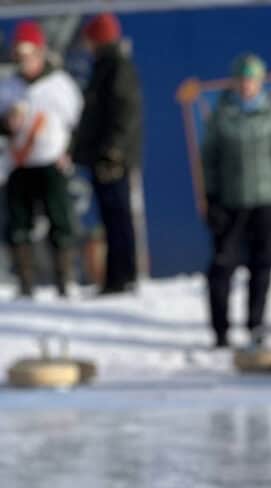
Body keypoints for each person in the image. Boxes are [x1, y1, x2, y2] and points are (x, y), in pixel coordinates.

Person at [200, 53, 271, 348]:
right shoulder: (221, 116)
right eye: (242, 80)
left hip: (267, 200)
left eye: (252, 80)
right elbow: (209, 161)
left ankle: (256, 323)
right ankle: (220, 329)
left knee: (263, 264)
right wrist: (212, 198)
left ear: (260, 83)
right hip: (231, 202)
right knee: (222, 267)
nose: (247, 86)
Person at [5, 20, 82, 297]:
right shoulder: (9, 87)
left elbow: (77, 122)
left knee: (59, 223)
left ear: (40, 52)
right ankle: (25, 284)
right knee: (18, 225)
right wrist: (7, 123)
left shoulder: (59, 85)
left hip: (51, 162)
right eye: (19, 54)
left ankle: (65, 281)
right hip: (19, 163)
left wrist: (69, 152)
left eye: (29, 53)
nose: (24, 60)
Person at [73, 12, 143, 296]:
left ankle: (122, 277)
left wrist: (114, 150)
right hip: (102, 156)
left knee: (118, 218)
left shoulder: (117, 66)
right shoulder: (105, 65)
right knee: (111, 217)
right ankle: (116, 276)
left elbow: (125, 112)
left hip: (113, 159)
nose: (87, 45)